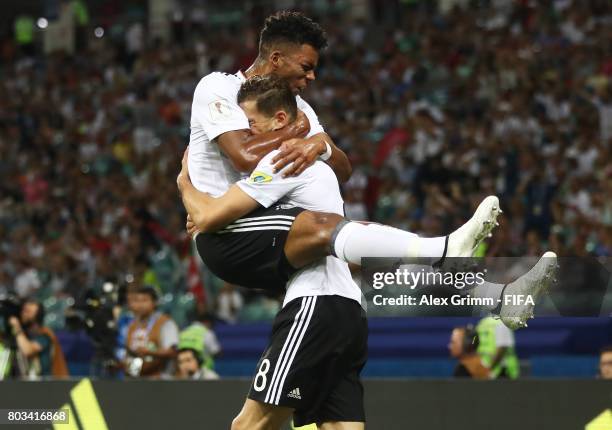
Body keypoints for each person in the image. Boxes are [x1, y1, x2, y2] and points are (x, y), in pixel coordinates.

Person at [179, 74, 557, 330]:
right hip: (335, 293)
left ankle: (449, 253)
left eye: (251, 123)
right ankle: (495, 294)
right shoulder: (307, 147)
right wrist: (319, 143)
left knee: (257, 420)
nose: (247, 131)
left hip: (318, 297)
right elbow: (341, 165)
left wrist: (186, 186)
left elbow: (211, 216)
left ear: (279, 119)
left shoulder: (282, 158)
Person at [184, 11, 501, 313]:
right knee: (327, 227)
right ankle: (444, 255)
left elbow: (343, 169)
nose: (312, 76)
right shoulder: (220, 88)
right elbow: (245, 157)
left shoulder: (301, 109)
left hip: (264, 223)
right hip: (226, 231)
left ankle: (486, 291)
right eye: (306, 66)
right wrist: (298, 132)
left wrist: (319, 145)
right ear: (277, 59)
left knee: (333, 219)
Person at [124, 286, 179, 378]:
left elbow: (172, 352)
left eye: (144, 300)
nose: (140, 304)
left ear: (154, 303)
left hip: (160, 379)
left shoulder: (165, 323)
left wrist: (150, 352)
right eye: (137, 301)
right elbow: (130, 353)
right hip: (138, 379)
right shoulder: (132, 326)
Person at [8, 300, 69, 379]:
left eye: (27, 311)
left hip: (46, 385)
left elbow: (28, 350)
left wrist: (17, 327)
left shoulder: (45, 335)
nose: (23, 314)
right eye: (23, 311)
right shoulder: (24, 336)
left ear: (37, 317)